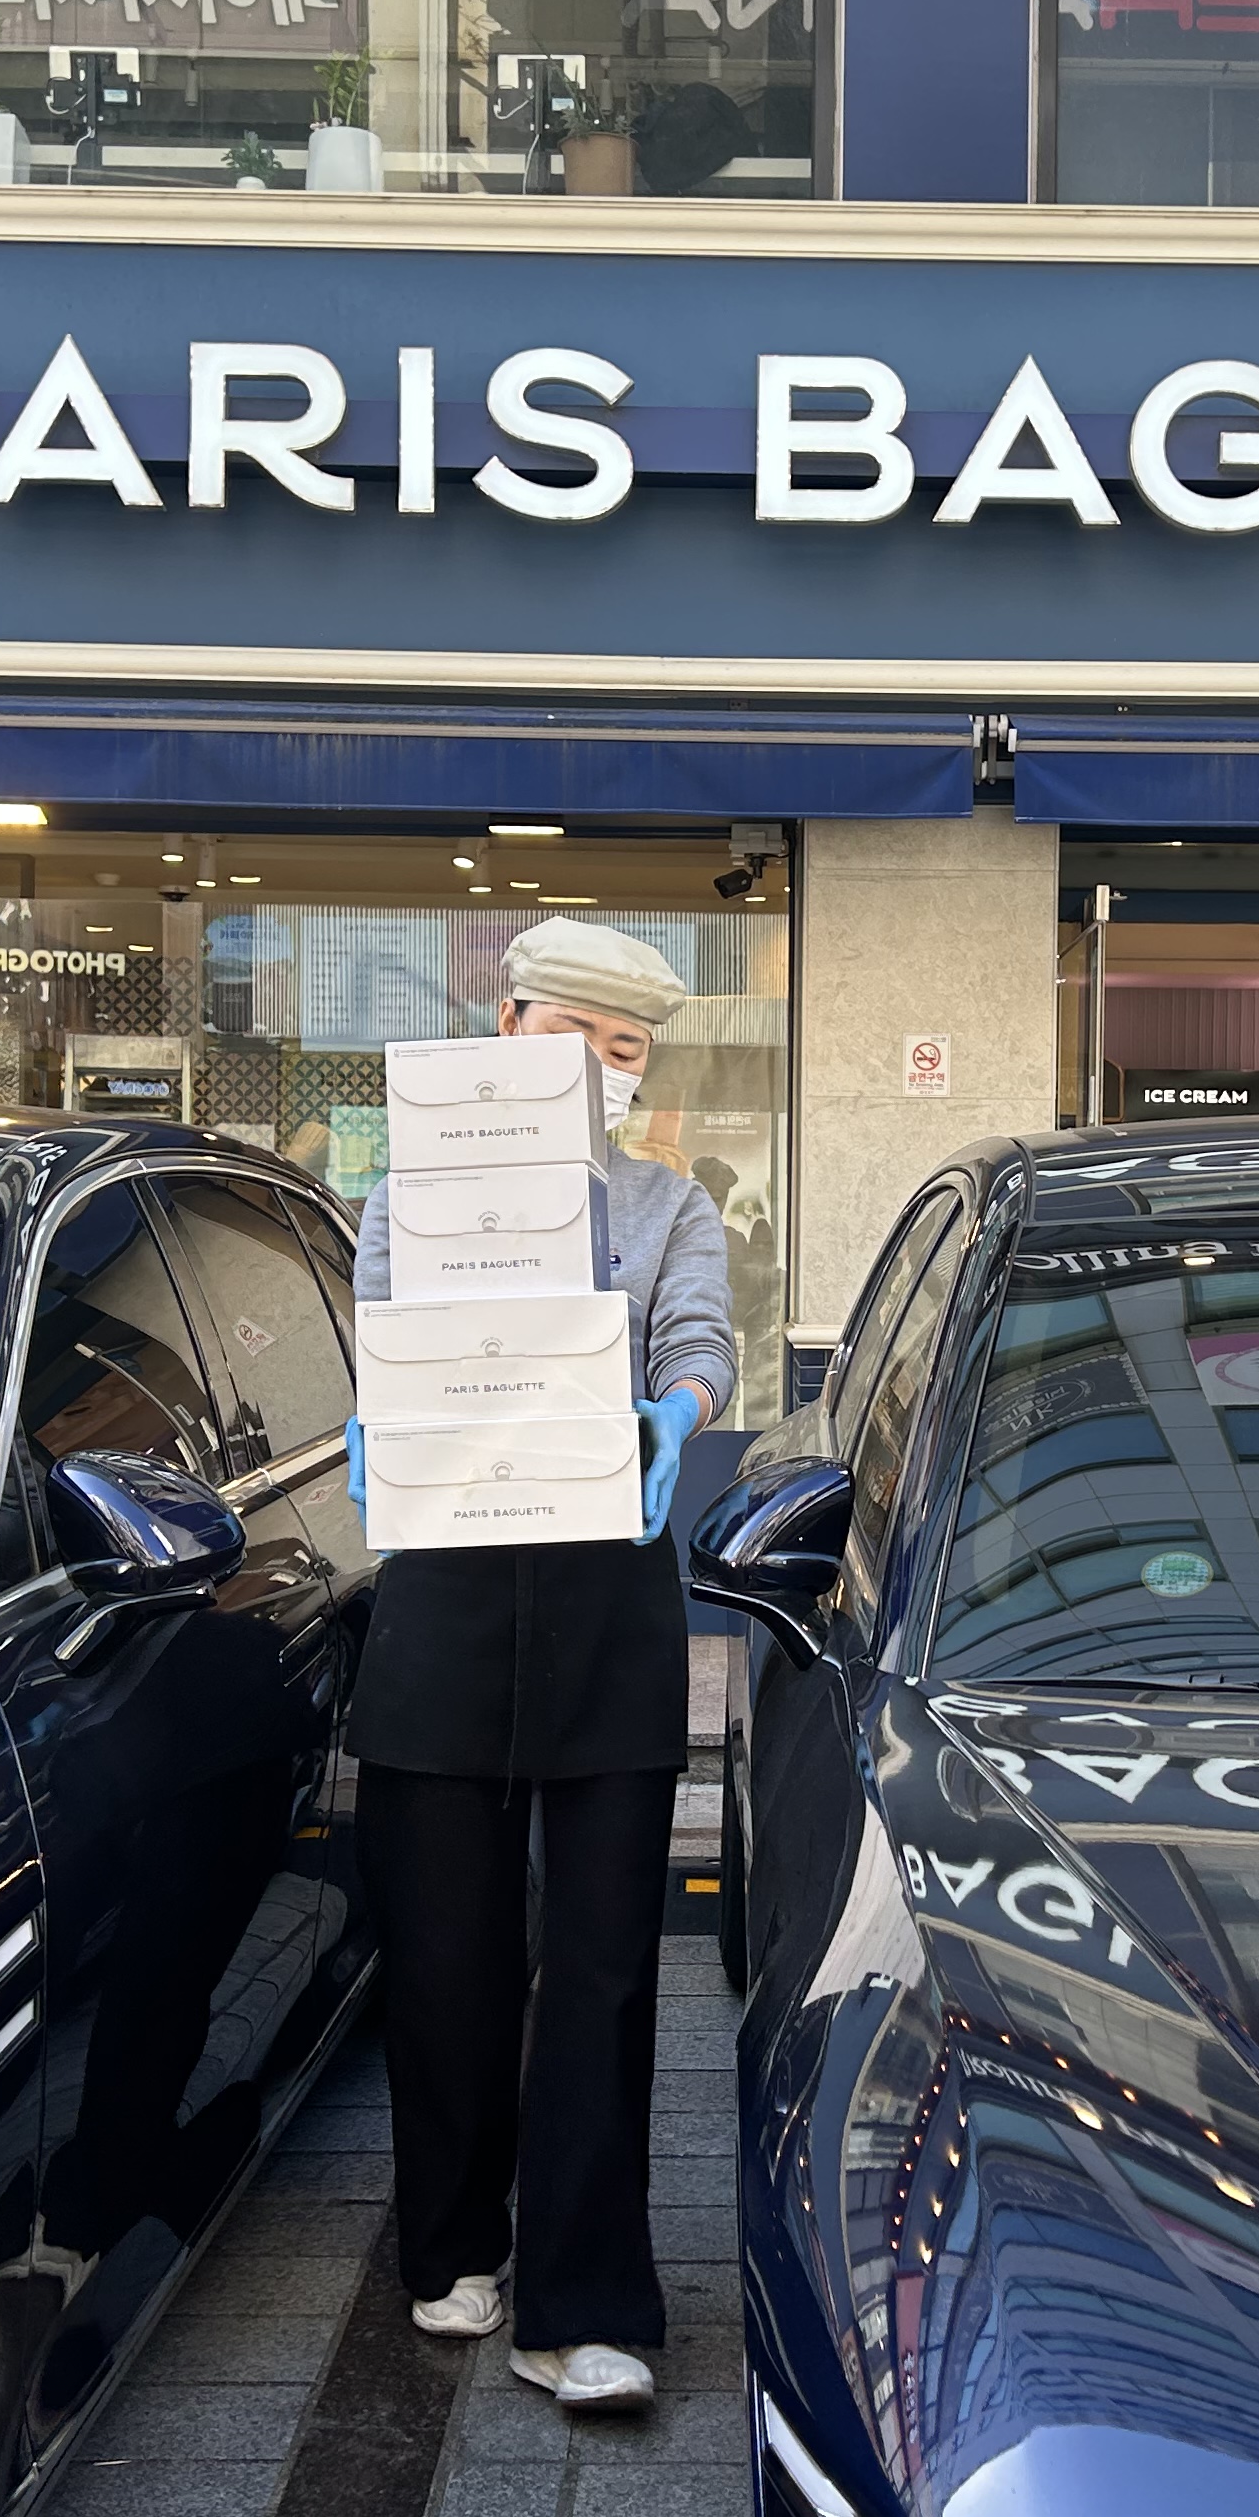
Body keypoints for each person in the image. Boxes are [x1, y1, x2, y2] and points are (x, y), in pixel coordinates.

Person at [343, 920, 733, 2411]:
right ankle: (453, 2241)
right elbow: (393, 1337)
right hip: (444, 1590)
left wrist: (675, 1413)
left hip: (606, 1592)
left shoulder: (671, 1203)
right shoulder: (408, 1196)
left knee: (604, 1965)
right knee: (442, 1952)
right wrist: (385, 1408)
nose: (598, 1069)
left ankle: (586, 2301)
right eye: (572, 1036)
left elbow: (700, 1341)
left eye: (626, 1051)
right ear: (504, 1029)